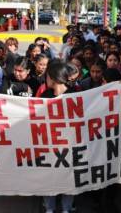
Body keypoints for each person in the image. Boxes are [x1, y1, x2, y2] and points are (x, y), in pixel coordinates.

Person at [40, 61, 75, 213]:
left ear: (53, 77)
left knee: (69, 177)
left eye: (47, 75)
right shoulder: (45, 95)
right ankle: (50, 208)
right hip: (49, 145)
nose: (45, 78)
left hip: (70, 146)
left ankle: (66, 208)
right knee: (49, 177)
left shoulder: (75, 95)